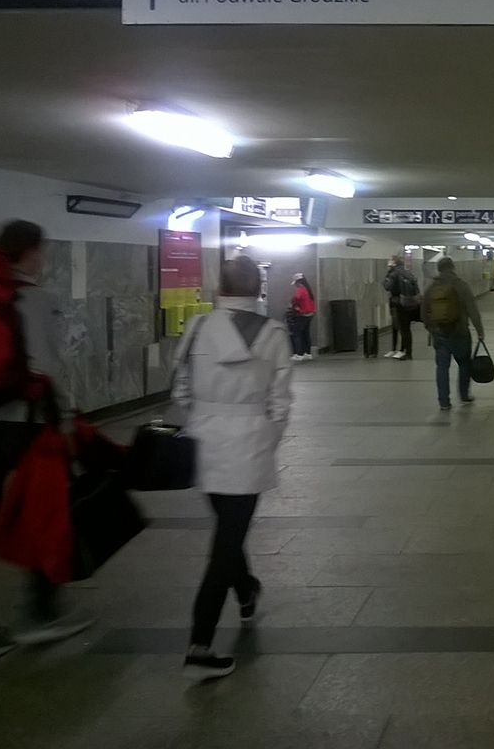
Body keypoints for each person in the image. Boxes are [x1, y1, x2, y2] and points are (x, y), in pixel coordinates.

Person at [172, 255, 294, 680]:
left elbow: (181, 389)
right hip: (249, 443)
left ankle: (246, 591)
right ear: (257, 288)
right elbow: (281, 402)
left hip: (205, 443)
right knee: (226, 543)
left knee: (228, 529)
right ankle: (199, 644)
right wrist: (265, 439)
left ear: (218, 288)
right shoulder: (274, 334)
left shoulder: (197, 328)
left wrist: (203, 418)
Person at [0, 220, 94, 650]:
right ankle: (39, 611)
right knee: (50, 512)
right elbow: (50, 367)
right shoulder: (36, 300)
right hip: (29, 424)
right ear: (31, 253)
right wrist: (68, 421)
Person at [419, 257, 484, 411]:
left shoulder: (431, 287)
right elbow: (473, 311)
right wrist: (480, 330)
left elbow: (423, 313)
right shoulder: (461, 285)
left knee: (442, 368)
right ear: (453, 267)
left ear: (439, 269)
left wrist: (432, 329)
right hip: (460, 332)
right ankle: (464, 395)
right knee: (464, 364)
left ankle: (444, 402)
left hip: (439, 334)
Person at [382, 255, 418, 360]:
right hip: (408, 303)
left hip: (397, 303)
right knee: (405, 328)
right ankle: (404, 350)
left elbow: (387, 287)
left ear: (394, 262)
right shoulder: (408, 272)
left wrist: (387, 277)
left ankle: (399, 351)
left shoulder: (393, 274)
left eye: (390, 260)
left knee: (398, 327)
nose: (388, 261)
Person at [289, 272, 316, 361]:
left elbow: (296, 298)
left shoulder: (300, 289)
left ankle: (298, 354)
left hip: (302, 314)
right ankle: (307, 353)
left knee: (297, 334)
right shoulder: (308, 289)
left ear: (298, 282)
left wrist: (295, 306)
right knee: (306, 333)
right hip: (310, 314)